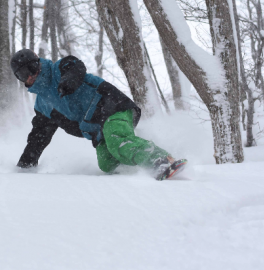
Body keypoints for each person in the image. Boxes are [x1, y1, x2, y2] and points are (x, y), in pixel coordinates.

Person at [11, 49, 186, 180]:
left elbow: (76, 67)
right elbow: (38, 138)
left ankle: (162, 160)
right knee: (106, 164)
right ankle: (137, 166)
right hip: (99, 131)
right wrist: (24, 167)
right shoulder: (43, 105)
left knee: (117, 140)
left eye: (31, 68)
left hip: (112, 108)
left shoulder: (61, 68)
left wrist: (68, 82)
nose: (30, 76)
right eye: (22, 75)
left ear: (38, 63)